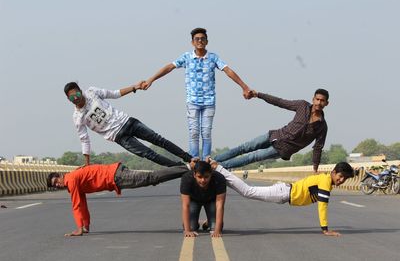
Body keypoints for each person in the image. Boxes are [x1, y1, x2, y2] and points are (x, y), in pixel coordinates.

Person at [141, 27, 251, 160]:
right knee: (193, 132)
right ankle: (194, 160)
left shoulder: (213, 58)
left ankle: (206, 159)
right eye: (197, 39)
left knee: (206, 132)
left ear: (207, 41)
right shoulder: (187, 57)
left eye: (202, 39)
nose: (200, 41)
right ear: (192, 42)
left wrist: (244, 87)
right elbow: (169, 67)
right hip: (192, 101)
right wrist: (151, 79)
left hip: (209, 101)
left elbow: (228, 71)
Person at [208, 157, 356, 236]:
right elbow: (322, 206)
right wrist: (325, 229)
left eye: (345, 179)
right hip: (284, 192)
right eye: (341, 176)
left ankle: (220, 174)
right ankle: (219, 169)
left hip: (284, 192)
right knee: (248, 191)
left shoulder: (326, 180)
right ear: (334, 171)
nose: (341, 180)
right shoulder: (325, 181)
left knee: (247, 191)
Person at [64, 82, 192, 167]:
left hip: (127, 122)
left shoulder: (92, 92)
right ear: (69, 100)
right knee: (149, 154)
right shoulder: (77, 117)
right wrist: (87, 164)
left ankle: (189, 159)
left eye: (77, 94)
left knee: (158, 140)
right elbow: (84, 140)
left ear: (81, 91)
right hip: (119, 137)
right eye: (72, 98)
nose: (76, 98)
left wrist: (134, 87)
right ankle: (182, 168)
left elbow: (114, 94)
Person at [47, 162, 192, 236]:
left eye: (56, 181)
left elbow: (76, 205)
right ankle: (184, 168)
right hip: (115, 174)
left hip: (116, 176)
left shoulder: (71, 180)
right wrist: (85, 226)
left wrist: (79, 229)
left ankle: (185, 168)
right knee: (151, 178)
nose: (58, 185)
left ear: (59, 175)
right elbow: (82, 203)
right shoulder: (72, 178)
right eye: (55, 186)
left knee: (151, 178)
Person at [214, 89, 329, 172]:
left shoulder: (322, 126)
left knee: (252, 157)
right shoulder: (302, 105)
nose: (319, 103)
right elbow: (280, 102)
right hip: (275, 135)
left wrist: (315, 167)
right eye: (317, 99)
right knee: (244, 147)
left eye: (322, 101)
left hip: (283, 149)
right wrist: (258, 94)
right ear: (313, 99)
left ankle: (216, 167)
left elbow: (318, 147)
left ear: (326, 103)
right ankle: (213, 161)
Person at [180, 161, 226, 237]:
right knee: (192, 227)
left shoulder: (219, 178)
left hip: (211, 200)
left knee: (215, 227)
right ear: (194, 175)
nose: (203, 180)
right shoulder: (186, 178)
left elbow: (220, 205)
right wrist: (187, 230)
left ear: (211, 174)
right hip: (194, 200)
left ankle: (209, 222)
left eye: (206, 177)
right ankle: (195, 222)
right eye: (200, 177)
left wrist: (217, 231)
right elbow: (186, 205)